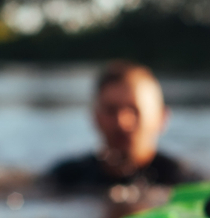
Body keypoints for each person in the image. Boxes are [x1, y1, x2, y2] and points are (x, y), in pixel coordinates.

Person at [43, 62, 201, 207]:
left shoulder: (186, 181)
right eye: (111, 110)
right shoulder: (65, 178)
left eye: (134, 110)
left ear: (161, 118)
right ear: (96, 118)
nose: (122, 122)